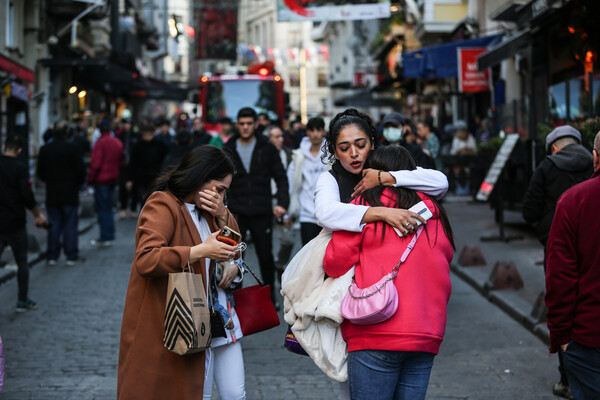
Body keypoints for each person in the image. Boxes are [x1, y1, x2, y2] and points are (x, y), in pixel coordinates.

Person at [324, 145, 454, 400]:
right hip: (426, 335)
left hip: (375, 332)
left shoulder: (364, 208)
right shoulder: (436, 214)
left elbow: (334, 263)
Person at [117, 146, 242, 400]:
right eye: (218, 189)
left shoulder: (211, 211)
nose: (220, 197)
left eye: (225, 193)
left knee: (235, 394)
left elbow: (235, 250)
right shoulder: (163, 203)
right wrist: (198, 251)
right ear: (199, 176)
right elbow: (146, 259)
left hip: (219, 317)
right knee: (192, 392)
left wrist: (222, 216)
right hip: (185, 318)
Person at [545, 131, 600, 400]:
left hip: (590, 336)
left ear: (595, 158)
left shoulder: (574, 201)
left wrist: (561, 336)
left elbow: (560, 277)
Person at [224, 107, 289, 308]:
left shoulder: (266, 147)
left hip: (261, 210)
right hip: (236, 211)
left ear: (255, 124)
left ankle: (269, 297)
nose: (245, 127)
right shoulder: (230, 147)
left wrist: (281, 203)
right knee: (235, 256)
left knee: (265, 255)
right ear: (237, 125)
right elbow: (219, 178)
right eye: (242, 124)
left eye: (249, 124)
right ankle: (236, 297)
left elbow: (280, 177)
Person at [0, 135, 48, 312]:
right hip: (15, 221)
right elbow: (26, 195)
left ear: (4, 147)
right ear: (19, 150)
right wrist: (37, 214)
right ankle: (22, 299)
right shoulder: (19, 168)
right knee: (22, 262)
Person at [37, 121, 86, 265]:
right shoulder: (73, 148)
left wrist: (50, 181)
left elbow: (40, 172)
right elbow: (81, 171)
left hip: (52, 192)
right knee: (70, 224)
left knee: (54, 223)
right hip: (70, 192)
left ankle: (52, 255)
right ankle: (71, 255)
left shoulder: (46, 149)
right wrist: (77, 184)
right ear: (66, 133)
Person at [287, 116, 328, 245]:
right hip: (306, 212)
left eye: (318, 130)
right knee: (308, 253)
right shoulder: (298, 155)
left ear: (323, 131)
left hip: (327, 211)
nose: (315, 134)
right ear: (307, 132)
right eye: (312, 130)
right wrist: (289, 212)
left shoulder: (331, 154)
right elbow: (291, 183)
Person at [88, 118, 125, 247]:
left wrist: (90, 180)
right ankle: (110, 234)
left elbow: (96, 164)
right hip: (112, 179)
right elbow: (122, 161)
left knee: (103, 208)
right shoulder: (117, 142)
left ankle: (105, 235)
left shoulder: (100, 143)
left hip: (101, 180)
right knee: (109, 207)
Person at [126, 125, 169, 207]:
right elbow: (132, 163)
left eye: (149, 134)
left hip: (156, 177)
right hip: (141, 178)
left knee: (155, 200)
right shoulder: (138, 146)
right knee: (144, 201)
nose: (147, 137)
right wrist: (129, 179)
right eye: (145, 134)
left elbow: (166, 161)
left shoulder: (160, 145)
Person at [115, 118, 140, 219]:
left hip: (134, 165)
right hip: (123, 165)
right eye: (125, 123)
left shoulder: (136, 136)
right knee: (122, 187)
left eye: (129, 123)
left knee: (135, 187)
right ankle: (123, 208)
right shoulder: (119, 136)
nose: (127, 126)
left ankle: (133, 209)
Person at [448, 120, 477, 196]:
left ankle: (458, 189)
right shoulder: (470, 136)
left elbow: (454, 150)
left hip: (458, 161)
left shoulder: (456, 138)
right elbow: (474, 148)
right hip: (467, 161)